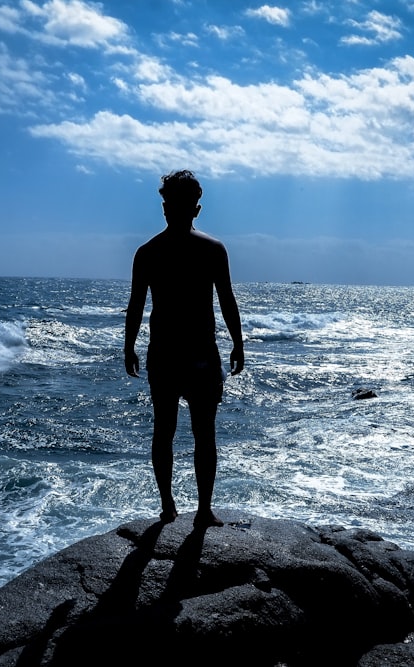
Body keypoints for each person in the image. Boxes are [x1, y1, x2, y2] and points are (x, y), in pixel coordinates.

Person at [124, 170, 244, 529]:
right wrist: (238, 342)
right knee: (201, 433)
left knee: (166, 431)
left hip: (166, 354)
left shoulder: (149, 252)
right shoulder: (210, 249)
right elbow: (227, 301)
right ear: (197, 209)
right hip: (199, 354)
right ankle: (201, 510)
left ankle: (170, 507)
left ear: (167, 208)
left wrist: (129, 347)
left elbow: (135, 306)